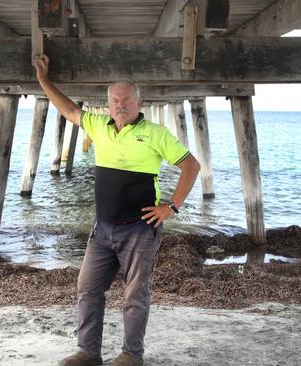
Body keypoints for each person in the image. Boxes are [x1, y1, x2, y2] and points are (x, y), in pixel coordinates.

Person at [33, 54, 201, 366]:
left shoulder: (155, 134)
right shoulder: (98, 126)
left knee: (135, 294)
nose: (119, 105)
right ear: (108, 105)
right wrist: (44, 80)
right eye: (114, 100)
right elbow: (69, 109)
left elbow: (191, 165)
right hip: (103, 228)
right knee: (87, 288)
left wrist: (172, 207)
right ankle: (88, 352)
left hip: (139, 230)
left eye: (126, 99)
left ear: (139, 103)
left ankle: (131, 356)